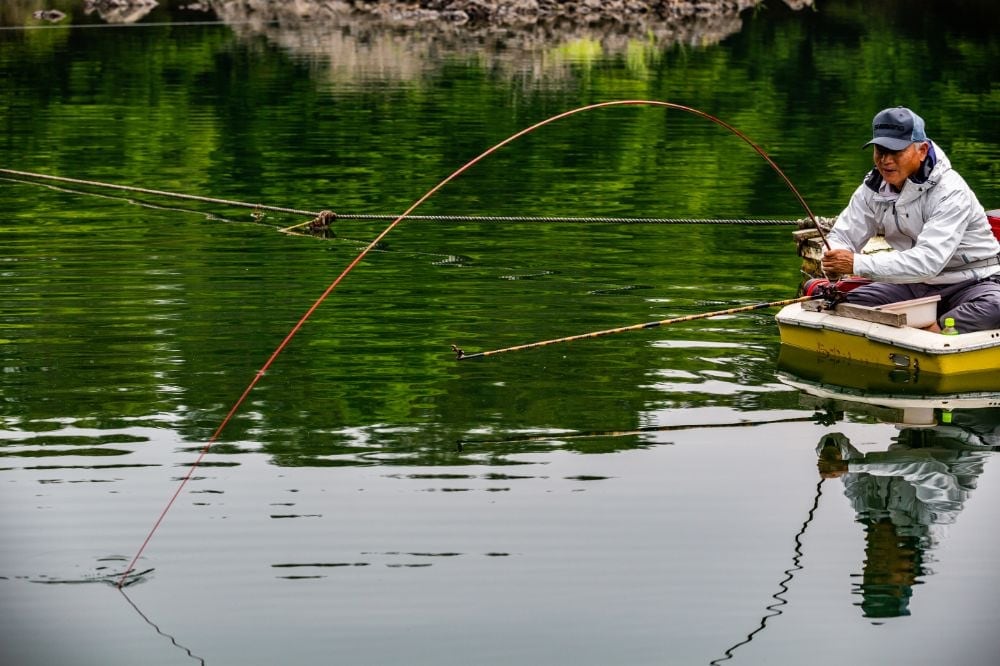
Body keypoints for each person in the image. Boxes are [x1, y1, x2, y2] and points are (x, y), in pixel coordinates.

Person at [821, 106, 1000, 332]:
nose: (885, 160)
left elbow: (928, 262)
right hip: (913, 284)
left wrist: (856, 263)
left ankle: (934, 331)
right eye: (879, 150)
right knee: (847, 305)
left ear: (922, 150)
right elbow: (842, 235)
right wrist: (831, 257)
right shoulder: (872, 188)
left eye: (895, 151)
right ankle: (926, 325)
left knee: (996, 307)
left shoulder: (951, 191)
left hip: (973, 281)